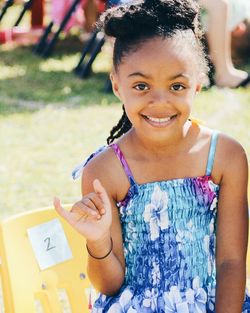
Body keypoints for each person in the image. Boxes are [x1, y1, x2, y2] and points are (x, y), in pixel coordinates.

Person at [54, 0, 250, 311]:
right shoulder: (104, 172)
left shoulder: (226, 157)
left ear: (198, 83)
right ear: (117, 86)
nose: (159, 102)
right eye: (142, 85)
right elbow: (109, 285)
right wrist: (98, 240)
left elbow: (231, 261)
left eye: (176, 85)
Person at [198, 0, 250, 88]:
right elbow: (218, 5)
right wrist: (223, 70)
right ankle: (224, 73)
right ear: (239, 29)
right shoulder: (235, 11)